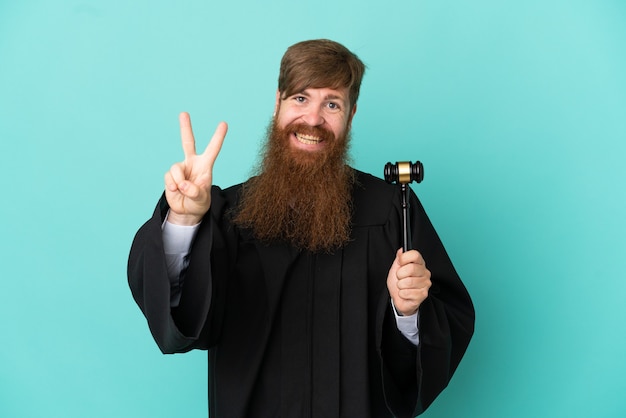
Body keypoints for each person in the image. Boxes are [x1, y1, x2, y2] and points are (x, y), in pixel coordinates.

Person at [128, 39, 474, 418]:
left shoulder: (390, 211)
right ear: (277, 104)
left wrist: (406, 311)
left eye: (331, 104)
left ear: (351, 115)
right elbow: (183, 320)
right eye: (300, 99)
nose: (313, 119)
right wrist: (185, 220)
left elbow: (442, 331)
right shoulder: (229, 214)